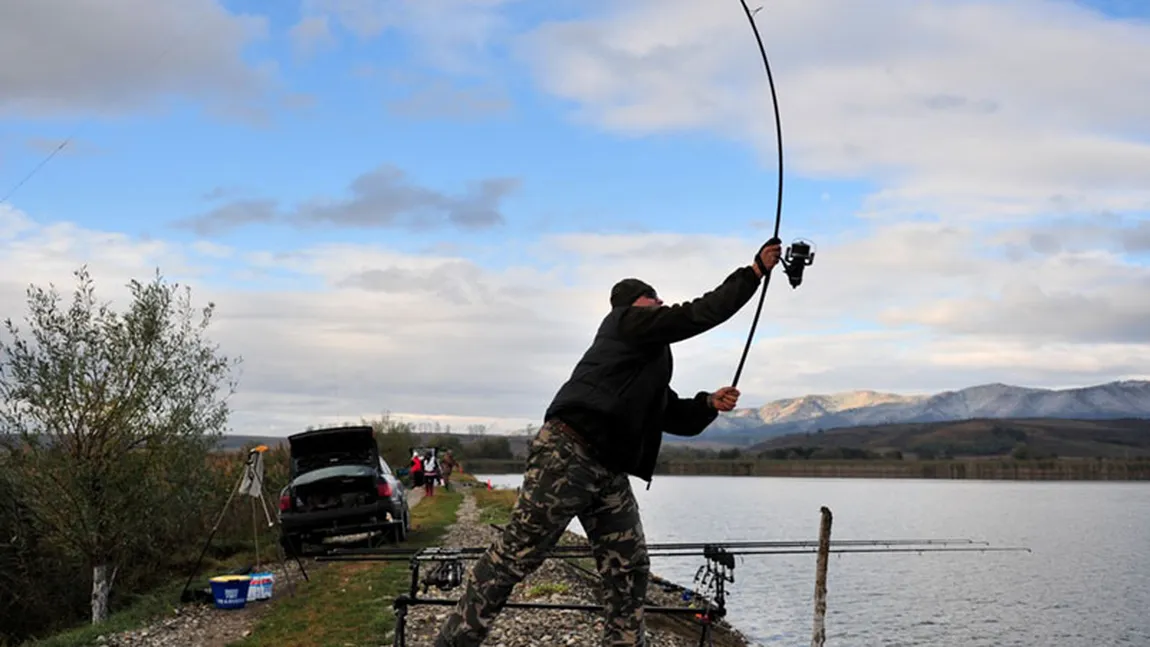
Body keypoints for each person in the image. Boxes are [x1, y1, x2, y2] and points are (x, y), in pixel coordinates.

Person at [434, 239, 783, 647]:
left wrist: (708, 403)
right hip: (569, 452)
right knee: (517, 555)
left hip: (608, 470)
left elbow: (672, 414)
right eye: (654, 297)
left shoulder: (641, 360)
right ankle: (452, 641)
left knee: (628, 568)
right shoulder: (624, 323)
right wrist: (755, 271)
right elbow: (696, 314)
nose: (662, 302)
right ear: (636, 303)